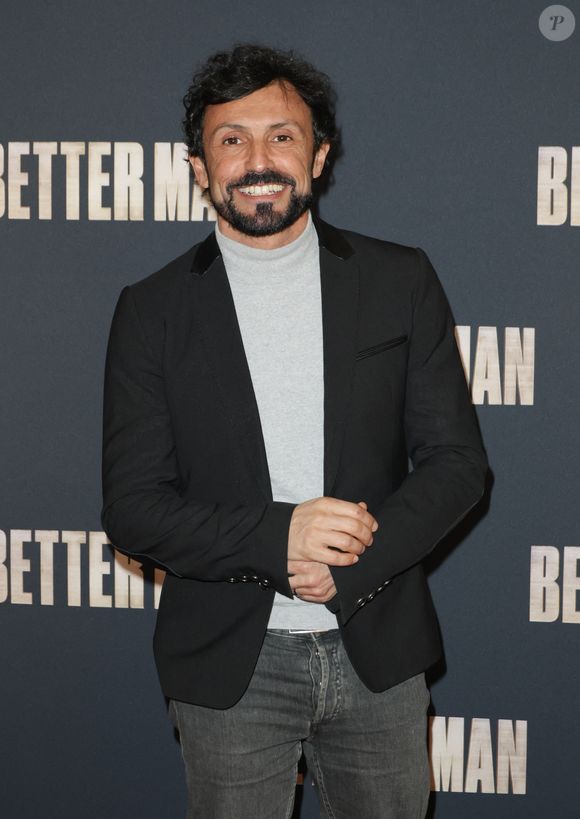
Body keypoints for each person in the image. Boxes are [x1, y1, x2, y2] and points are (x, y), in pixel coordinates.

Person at [101, 44, 487, 819]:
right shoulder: (151, 310)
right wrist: (282, 538)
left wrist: (350, 560)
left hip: (378, 646)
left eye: (281, 135)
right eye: (231, 139)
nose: (258, 159)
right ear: (200, 167)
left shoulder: (399, 279)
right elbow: (134, 507)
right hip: (228, 664)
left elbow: (456, 465)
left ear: (319, 152)